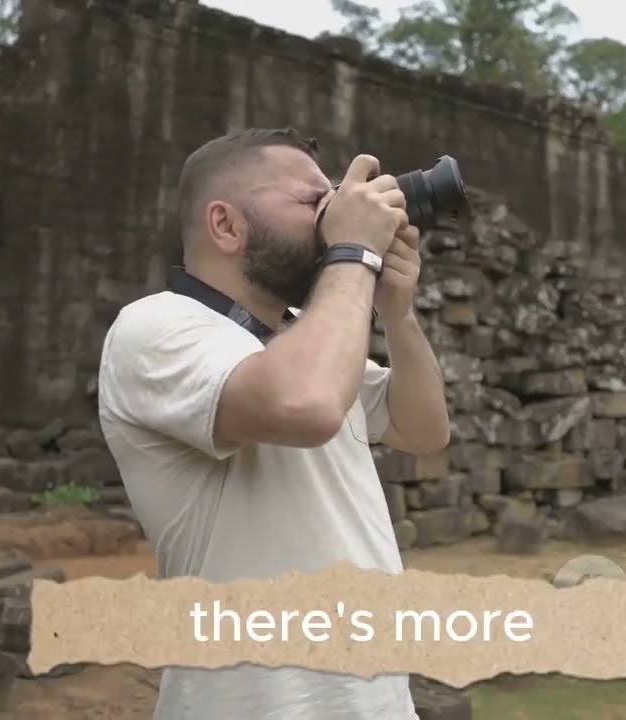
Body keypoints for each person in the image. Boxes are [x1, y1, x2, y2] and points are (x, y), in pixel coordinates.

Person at [97, 127, 451, 719]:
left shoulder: (298, 337)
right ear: (226, 225)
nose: (333, 214)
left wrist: (397, 311)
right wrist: (354, 253)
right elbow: (307, 405)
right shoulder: (154, 327)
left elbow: (424, 431)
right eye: (314, 203)